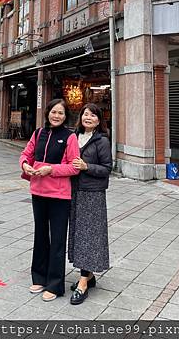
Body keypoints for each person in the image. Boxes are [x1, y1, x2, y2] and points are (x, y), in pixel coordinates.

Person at [20, 98, 80, 302]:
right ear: (47, 113)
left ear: (65, 116)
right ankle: (39, 276)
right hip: (38, 192)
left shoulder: (70, 137)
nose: (56, 116)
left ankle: (55, 284)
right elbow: (26, 154)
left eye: (61, 113)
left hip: (60, 196)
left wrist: (51, 169)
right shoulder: (38, 133)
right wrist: (25, 165)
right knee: (40, 236)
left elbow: (74, 166)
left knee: (57, 240)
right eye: (54, 112)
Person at [68, 104, 112, 305]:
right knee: (79, 234)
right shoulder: (73, 136)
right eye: (85, 114)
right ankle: (88, 275)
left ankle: (83, 282)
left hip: (92, 194)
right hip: (74, 191)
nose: (88, 117)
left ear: (98, 120)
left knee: (88, 237)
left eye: (93, 115)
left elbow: (107, 168)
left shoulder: (101, 140)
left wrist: (87, 167)